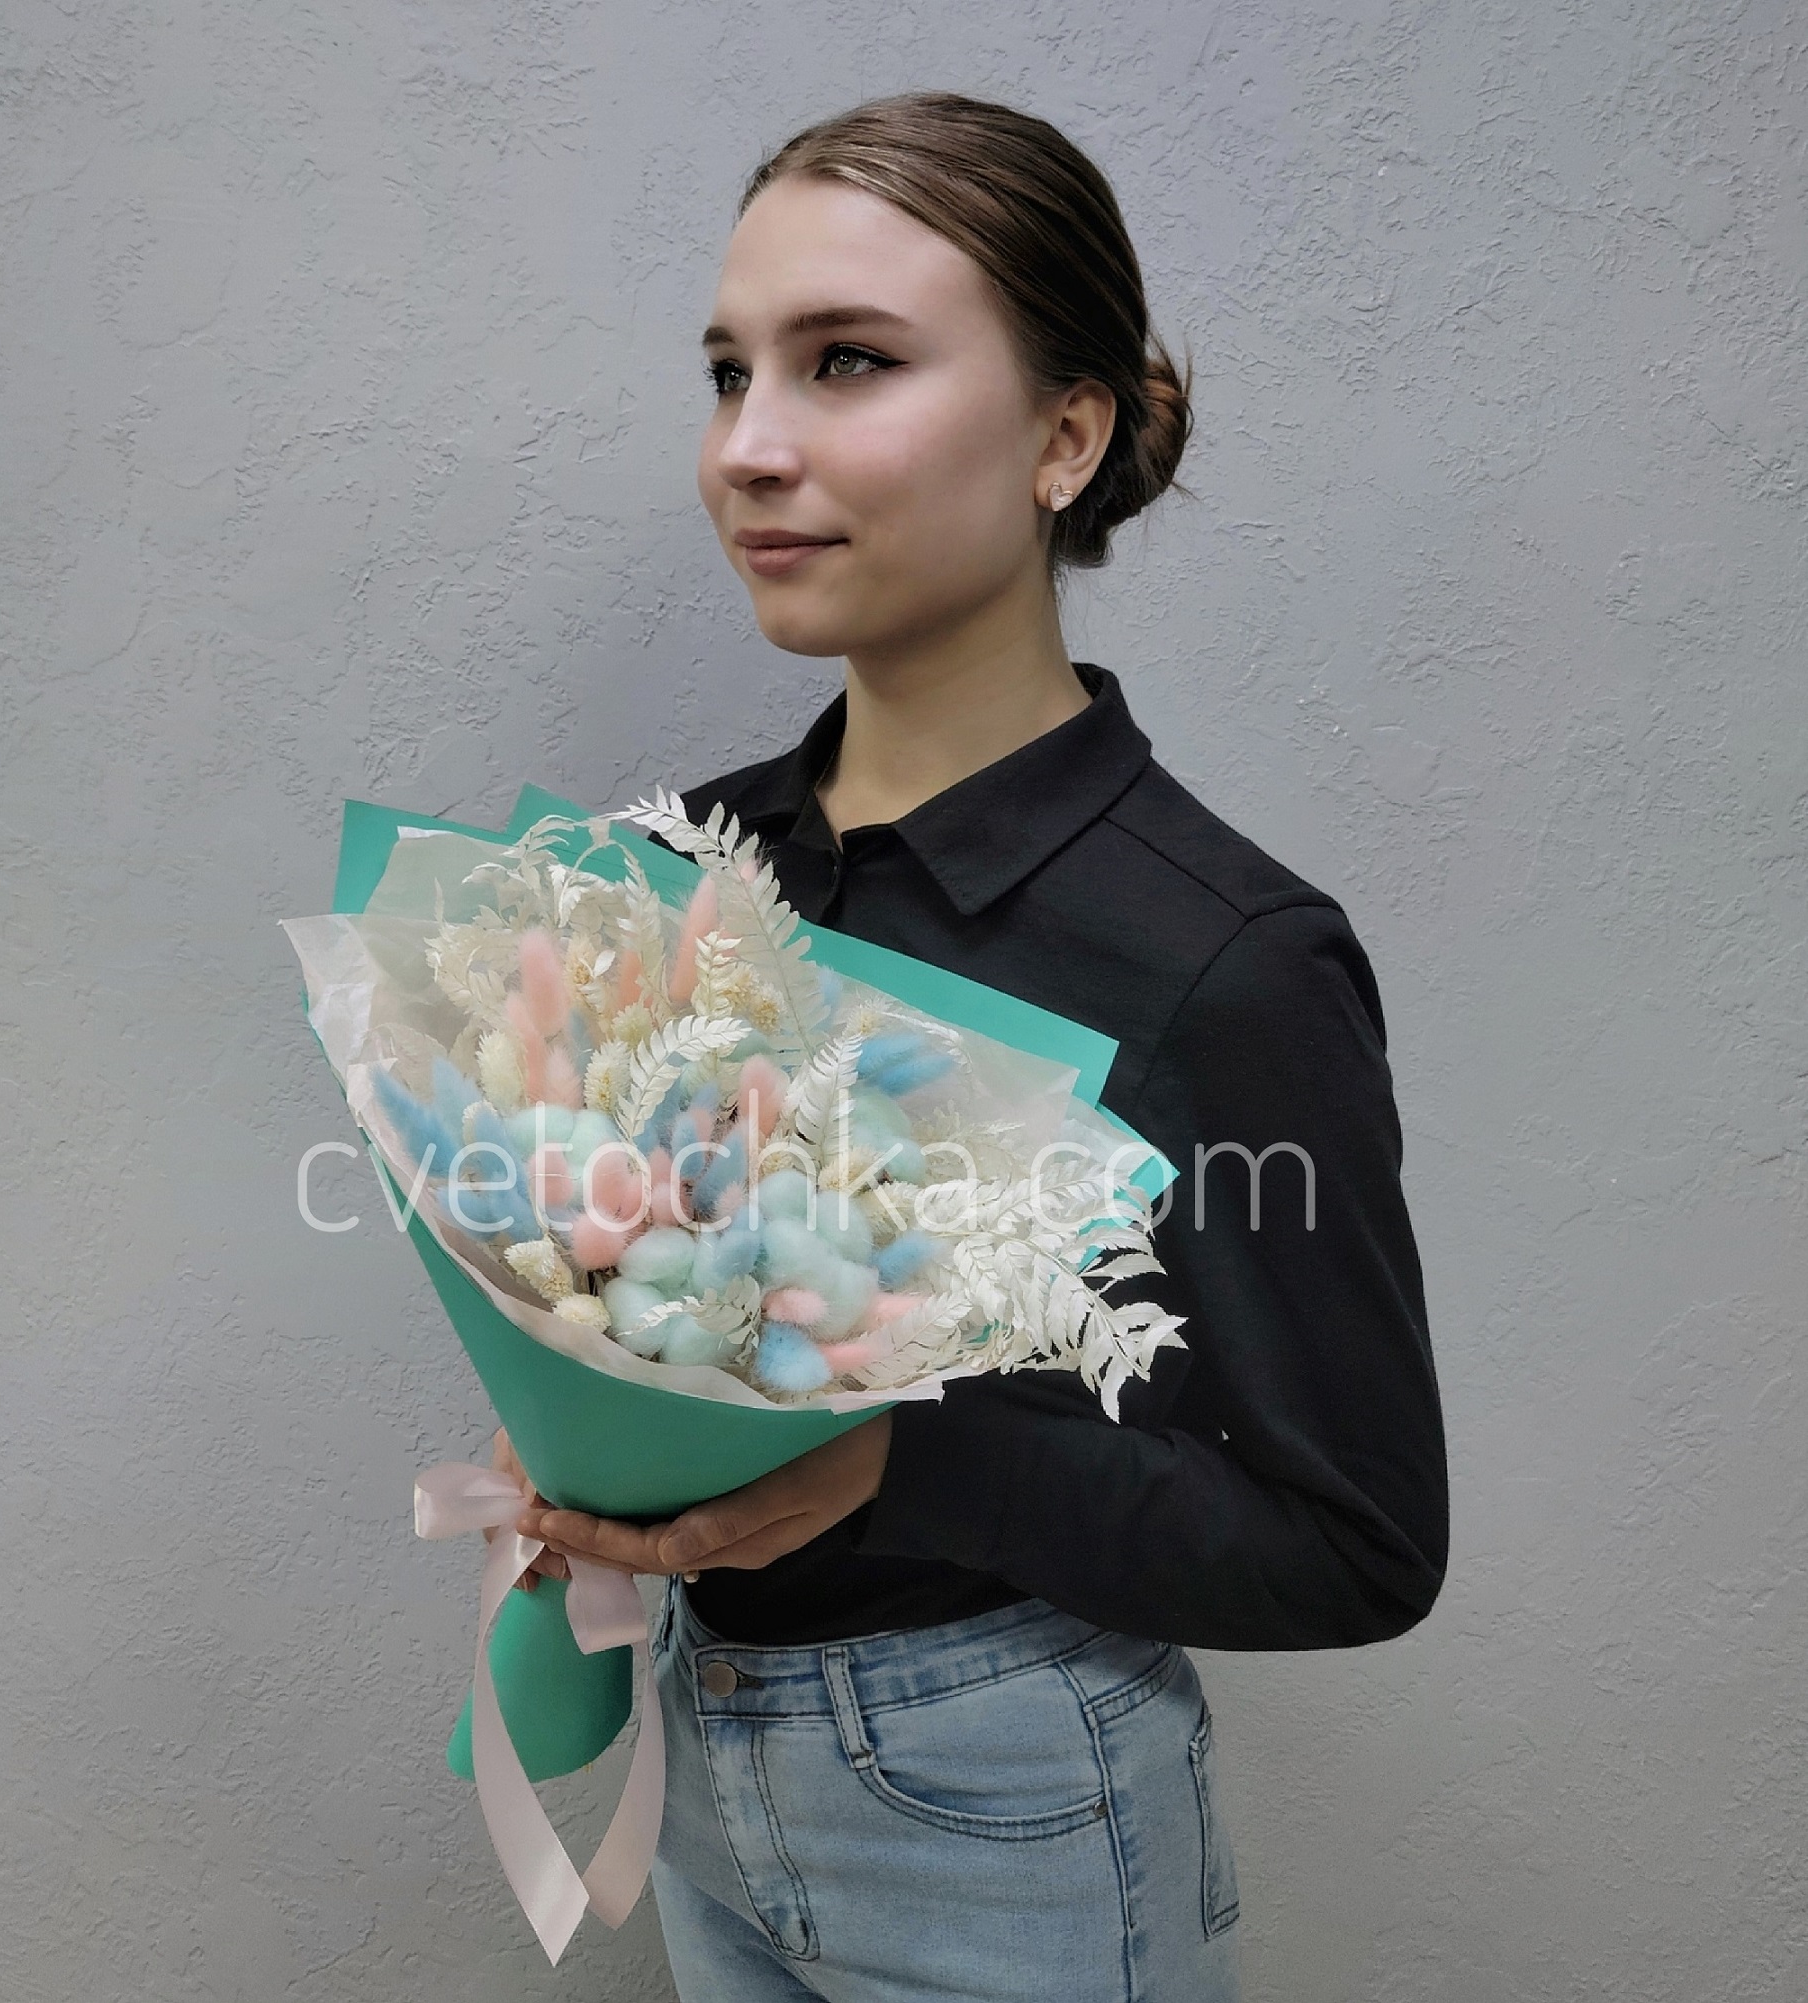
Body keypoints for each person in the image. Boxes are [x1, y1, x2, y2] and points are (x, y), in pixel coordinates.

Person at [496, 91, 1450, 2001]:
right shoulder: (678, 870)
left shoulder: (1221, 956)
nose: (750, 447)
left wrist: (897, 1467)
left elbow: (1355, 1545)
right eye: (729, 373)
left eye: (848, 362)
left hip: (1005, 1803)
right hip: (703, 1760)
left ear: (1064, 438)